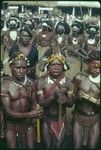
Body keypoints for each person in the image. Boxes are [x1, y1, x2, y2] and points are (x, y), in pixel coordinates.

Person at [1, 51, 43, 149]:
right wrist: (30, 114)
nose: (21, 71)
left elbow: (34, 103)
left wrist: (37, 110)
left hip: (27, 124)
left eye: (24, 68)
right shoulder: (4, 85)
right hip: (11, 126)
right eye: (17, 68)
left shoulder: (31, 84)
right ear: (11, 67)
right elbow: (8, 113)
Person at [37, 53, 74, 149]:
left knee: (59, 145)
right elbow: (41, 102)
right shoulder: (41, 81)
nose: (56, 67)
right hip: (46, 119)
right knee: (48, 146)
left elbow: (70, 104)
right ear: (48, 67)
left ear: (63, 67)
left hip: (61, 118)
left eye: (59, 65)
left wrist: (65, 100)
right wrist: (53, 96)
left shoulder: (68, 82)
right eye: (53, 64)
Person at [72, 50, 100, 149]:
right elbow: (71, 101)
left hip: (94, 118)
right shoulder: (79, 77)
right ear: (88, 64)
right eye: (94, 67)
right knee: (77, 147)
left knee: (92, 147)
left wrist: (94, 100)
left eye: (100, 68)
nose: (97, 70)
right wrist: (77, 98)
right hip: (79, 117)